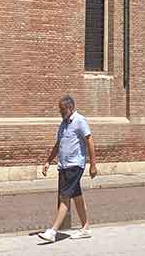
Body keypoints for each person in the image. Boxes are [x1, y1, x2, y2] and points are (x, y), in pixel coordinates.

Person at [39, 95, 97, 241]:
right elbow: (58, 144)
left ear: (70, 108)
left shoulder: (80, 121)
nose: (60, 111)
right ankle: (85, 228)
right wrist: (48, 161)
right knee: (76, 196)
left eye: (62, 109)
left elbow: (89, 141)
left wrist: (93, 165)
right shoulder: (63, 124)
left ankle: (53, 231)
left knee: (64, 197)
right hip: (64, 165)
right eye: (60, 109)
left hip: (75, 165)